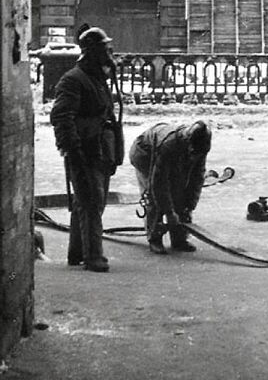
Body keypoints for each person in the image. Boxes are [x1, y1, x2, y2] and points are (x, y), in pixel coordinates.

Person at [49, 26, 120, 272]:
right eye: (105, 48)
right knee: (90, 202)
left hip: (101, 150)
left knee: (89, 202)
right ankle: (93, 257)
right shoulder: (73, 79)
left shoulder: (97, 79)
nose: (110, 53)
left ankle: (77, 252)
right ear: (91, 51)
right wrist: (72, 149)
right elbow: (62, 117)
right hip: (85, 150)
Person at [129, 120, 212, 254]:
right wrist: (169, 212)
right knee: (153, 196)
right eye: (192, 151)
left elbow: (197, 178)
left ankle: (179, 239)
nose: (194, 155)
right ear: (188, 142)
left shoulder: (202, 146)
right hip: (144, 153)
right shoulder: (170, 144)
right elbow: (159, 183)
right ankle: (154, 238)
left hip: (169, 151)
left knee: (179, 192)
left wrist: (189, 206)